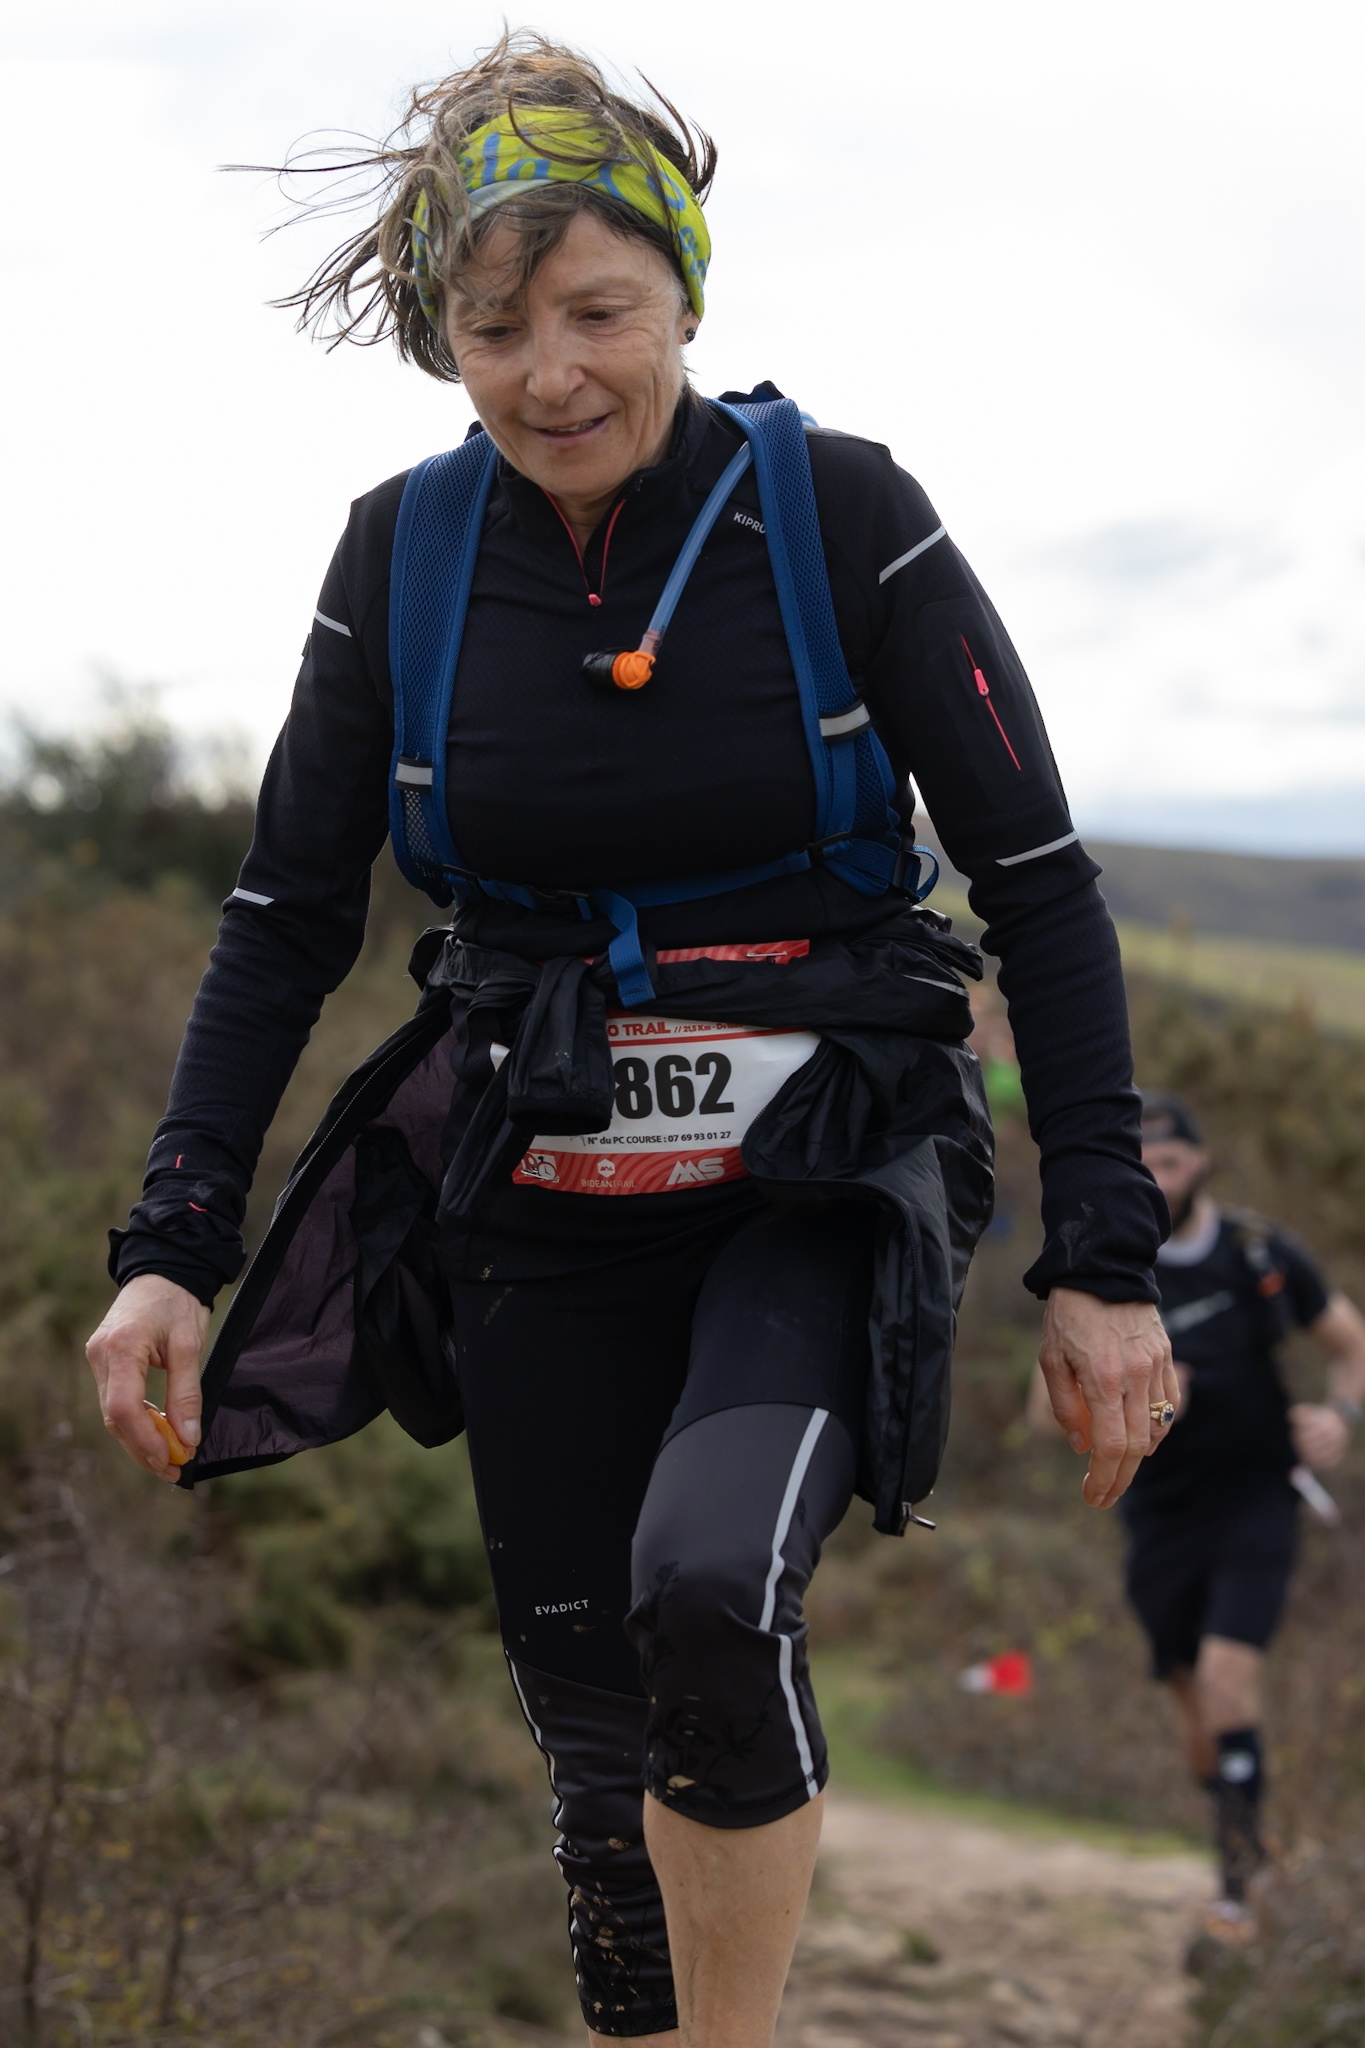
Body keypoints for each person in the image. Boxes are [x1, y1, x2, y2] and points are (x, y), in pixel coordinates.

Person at [86, 33, 1175, 2046]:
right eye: (494, 330)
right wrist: (172, 1244)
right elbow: (285, 916)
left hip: (819, 1165)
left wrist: (1103, 1263)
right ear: (442, 336)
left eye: (598, 311)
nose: (550, 374)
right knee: (601, 1756)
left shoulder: (842, 516)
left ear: (684, 289)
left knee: (707, 1588)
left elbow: (1039, 883)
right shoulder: (399, 559)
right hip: (540, 1172)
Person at [1031, 1088, 1365, 1940]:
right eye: (1142, 1162)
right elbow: (1043, 1413)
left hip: (1258, 1499)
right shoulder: (1104, 1269)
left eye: (1172, 1161)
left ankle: (1238, 1887)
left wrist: (1339, 1417)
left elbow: (1350, 1346)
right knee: (1193, 1707)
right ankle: (1249, 1844)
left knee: (1225, 1680)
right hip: (1157, 1514)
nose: (1158, 1177)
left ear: (1202, 1163)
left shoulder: (1259, 1251)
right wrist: (1126, 1407)